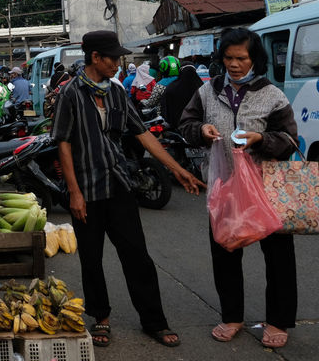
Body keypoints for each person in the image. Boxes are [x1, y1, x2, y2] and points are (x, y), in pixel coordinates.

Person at [52, 31, 205, 349]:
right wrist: (74, 192)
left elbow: (143, 134)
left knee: (137, 257)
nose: (118, 63)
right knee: (91, 259)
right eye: (114, 58)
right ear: (96, 58)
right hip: (86, 189)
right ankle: (101, 318)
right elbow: (63, 143)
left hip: (119, 185)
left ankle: (154, 321)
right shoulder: (70, 94)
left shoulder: (117, 92)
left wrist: (177, 170)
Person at [178, 27, 299, 350]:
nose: (234, 64)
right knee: (225, 254)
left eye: (241, 58)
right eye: (229, 58)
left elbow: (290, 141)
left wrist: (261, 139)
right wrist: (201, 130)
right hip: (224, 190)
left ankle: (278, 321)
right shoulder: (207, 92)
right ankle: (232, 316)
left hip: (266, 190)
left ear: (254, 59)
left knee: (279, 258)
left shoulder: (272, 95)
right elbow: (185, 125)